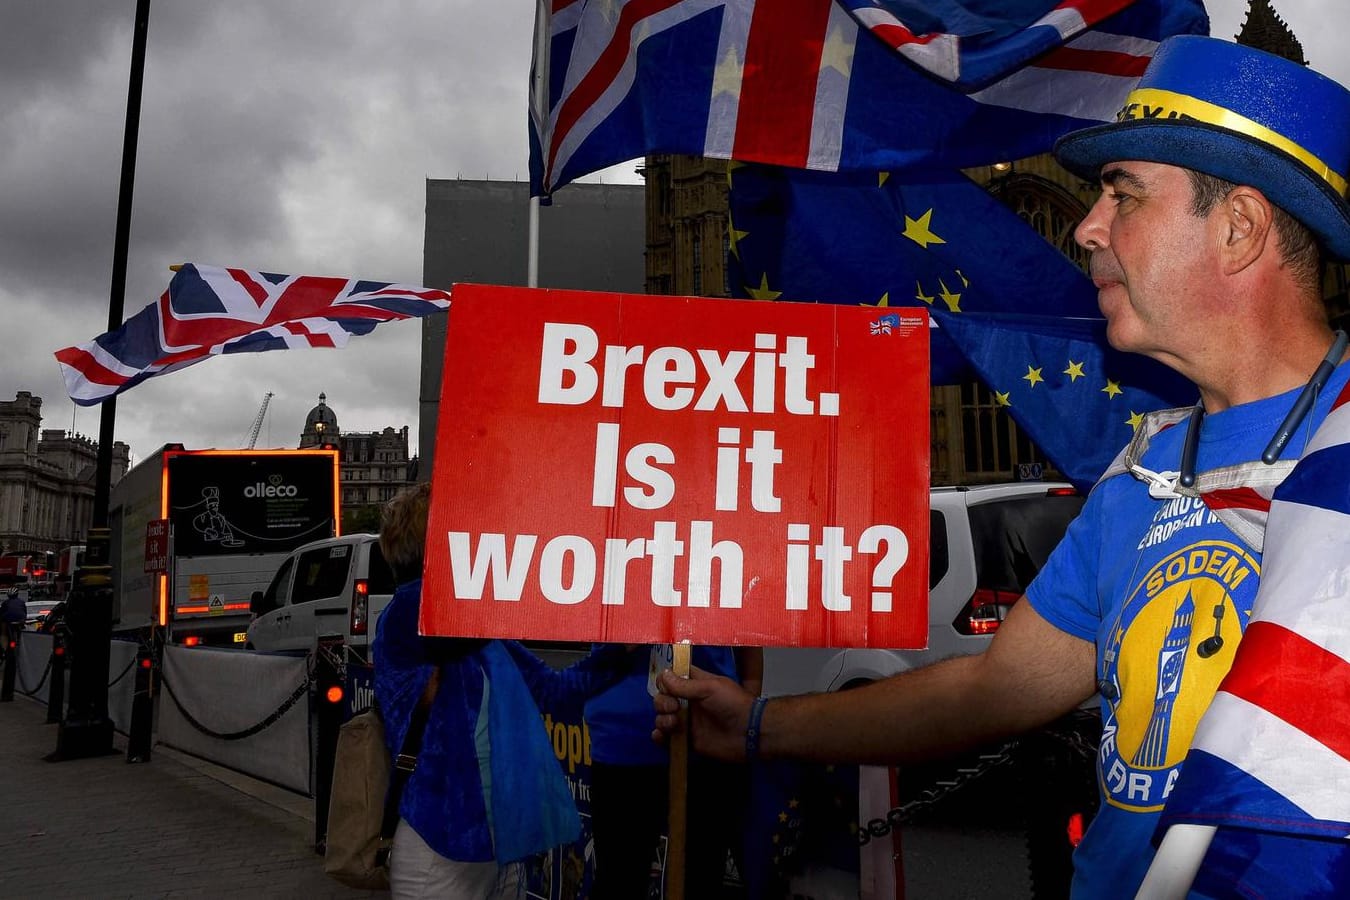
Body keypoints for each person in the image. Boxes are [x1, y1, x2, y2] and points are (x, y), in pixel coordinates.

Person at [654, 35, 1350, 898]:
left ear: (1239, 228)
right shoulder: (1145, 471)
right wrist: (759, 726)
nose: (1086, 225)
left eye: (1123, 195)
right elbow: (990, 687)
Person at [372, 482, 637, 899]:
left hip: (501, 845)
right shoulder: (412, 610)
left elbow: (556, 691)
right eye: (469, 531)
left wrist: (619, 651)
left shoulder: (484, 629)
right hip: (440, 845)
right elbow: (452, 635)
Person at [585, 643, 761, 899]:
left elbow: (749, 635)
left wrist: (746, 714)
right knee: (618, 881)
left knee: (702, 880)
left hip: (711, 734)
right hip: (622, 739)